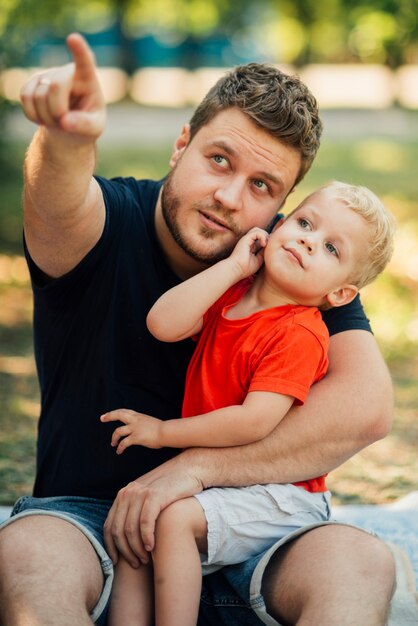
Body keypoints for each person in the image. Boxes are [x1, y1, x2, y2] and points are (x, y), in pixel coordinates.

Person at [0, 32, 396, 626]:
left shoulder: (297, 263)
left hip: (247, 532)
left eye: (262, 187)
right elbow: (55, 201)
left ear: (281, 205)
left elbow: (366, 409)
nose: (229, 199)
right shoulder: (109, 221)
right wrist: (64, 140)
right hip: (87, 530)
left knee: (361, 561)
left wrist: (190, 472)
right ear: (180, 144)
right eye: (218, 160)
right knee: (25, 555)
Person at [101, 180, 395, 626]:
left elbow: (252, 422)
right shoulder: (232, 296)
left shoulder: (298, 332)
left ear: (340, 295)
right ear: (276, 225)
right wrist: (235, 267)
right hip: (227, 486)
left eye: (331, 249)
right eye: (303, 223)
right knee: (135, 529)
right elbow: (162, 323)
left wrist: (162, 432)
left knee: (172, 519)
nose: (307, 242)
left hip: (281, 493)